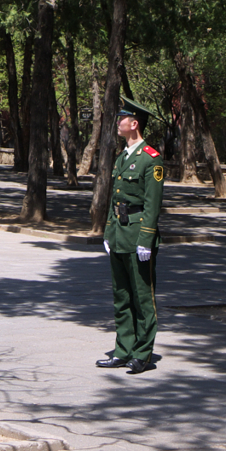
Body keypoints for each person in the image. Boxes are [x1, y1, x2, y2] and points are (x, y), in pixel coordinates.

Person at [96, 96, 164, 374]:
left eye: (121, 118)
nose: (117, 122)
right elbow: (115, 199)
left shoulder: (151, 159)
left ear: (134, 123)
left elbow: (152, 204)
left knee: (142, 297)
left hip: (138, 236)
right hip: (119, 235)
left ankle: (142, 354)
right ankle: (123, 350)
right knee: (121, 295)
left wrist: (146, 240)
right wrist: (108, 232)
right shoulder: (122, 157)